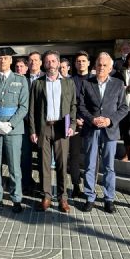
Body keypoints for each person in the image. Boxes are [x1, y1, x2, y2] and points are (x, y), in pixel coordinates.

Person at [78, 53, 128, 213]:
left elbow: (123, 108)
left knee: (109, 167)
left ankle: (109, 199)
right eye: (99, 64)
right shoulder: (86, 83)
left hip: (110, 130)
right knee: (90, 165)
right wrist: (91, 119)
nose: (101, 67)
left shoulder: (119, 84)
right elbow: (81, 106)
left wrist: (110, 120)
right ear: (95, 66)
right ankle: (89, 197)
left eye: (105, 65)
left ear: (110, 68)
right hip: (91, 129)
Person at [0, 47, 29, 212]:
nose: (3, 61)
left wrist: (10, 124)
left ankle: (16, 199)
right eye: (0, 58)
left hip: (14, 129)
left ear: (11, 61)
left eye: (6, 58)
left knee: (15, 165)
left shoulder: (21, 80)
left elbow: (24, 106)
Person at [29, 50, 76, 212]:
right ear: (44, 64)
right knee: (44, 164)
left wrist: (73, 125)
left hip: (62, 127)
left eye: (53, 61)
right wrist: (33, 130)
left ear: (58, 63)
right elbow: (32, 109)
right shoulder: (38, 83)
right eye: (47, 62)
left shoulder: (68, 83)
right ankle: (47, 196)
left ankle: (63, 198)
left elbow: (73, 106)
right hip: (44, 128)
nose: (50, 65)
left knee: (63, 164)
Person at [69, 51, 91, 197]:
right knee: (74, 156)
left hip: (91, 123)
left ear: (88, 63)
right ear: (75, 64)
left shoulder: (95, 80)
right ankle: (76, 185)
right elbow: (68, 103)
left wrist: (89, 119)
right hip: (75, 123)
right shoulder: (70, 81)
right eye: (78, 61)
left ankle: (90, 188)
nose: (81, 63)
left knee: (91, 156)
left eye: (83, 61)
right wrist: (75, 118)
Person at [23, 51, 44, 192]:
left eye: (36, 60)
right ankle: (26, 183)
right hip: (24, 124)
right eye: (30, 60)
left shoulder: (47, 78)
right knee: (25, 156)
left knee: (43, 157)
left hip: (42, 124)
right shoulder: (21, 78)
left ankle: (44, 185)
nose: (33, 63)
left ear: (41, 63)